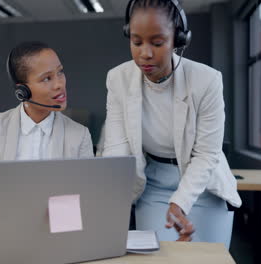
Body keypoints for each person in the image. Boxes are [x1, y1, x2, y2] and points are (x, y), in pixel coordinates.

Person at [102, 0, 241, 248]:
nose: (145, 53)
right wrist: (109, 200)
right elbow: (117, 148)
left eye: (157, 43)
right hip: (153, 186)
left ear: (178, 40)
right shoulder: (118, 79)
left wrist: (181, 201)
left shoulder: (206, 80)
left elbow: (207, 153)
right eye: (136, 42)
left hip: (203, 185)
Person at [0, 41, 94, 233]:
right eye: (46, 79)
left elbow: (87, 206)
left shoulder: (79, 136)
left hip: (53, 239)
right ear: (23, 91)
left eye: (60, 72)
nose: (59, 84)